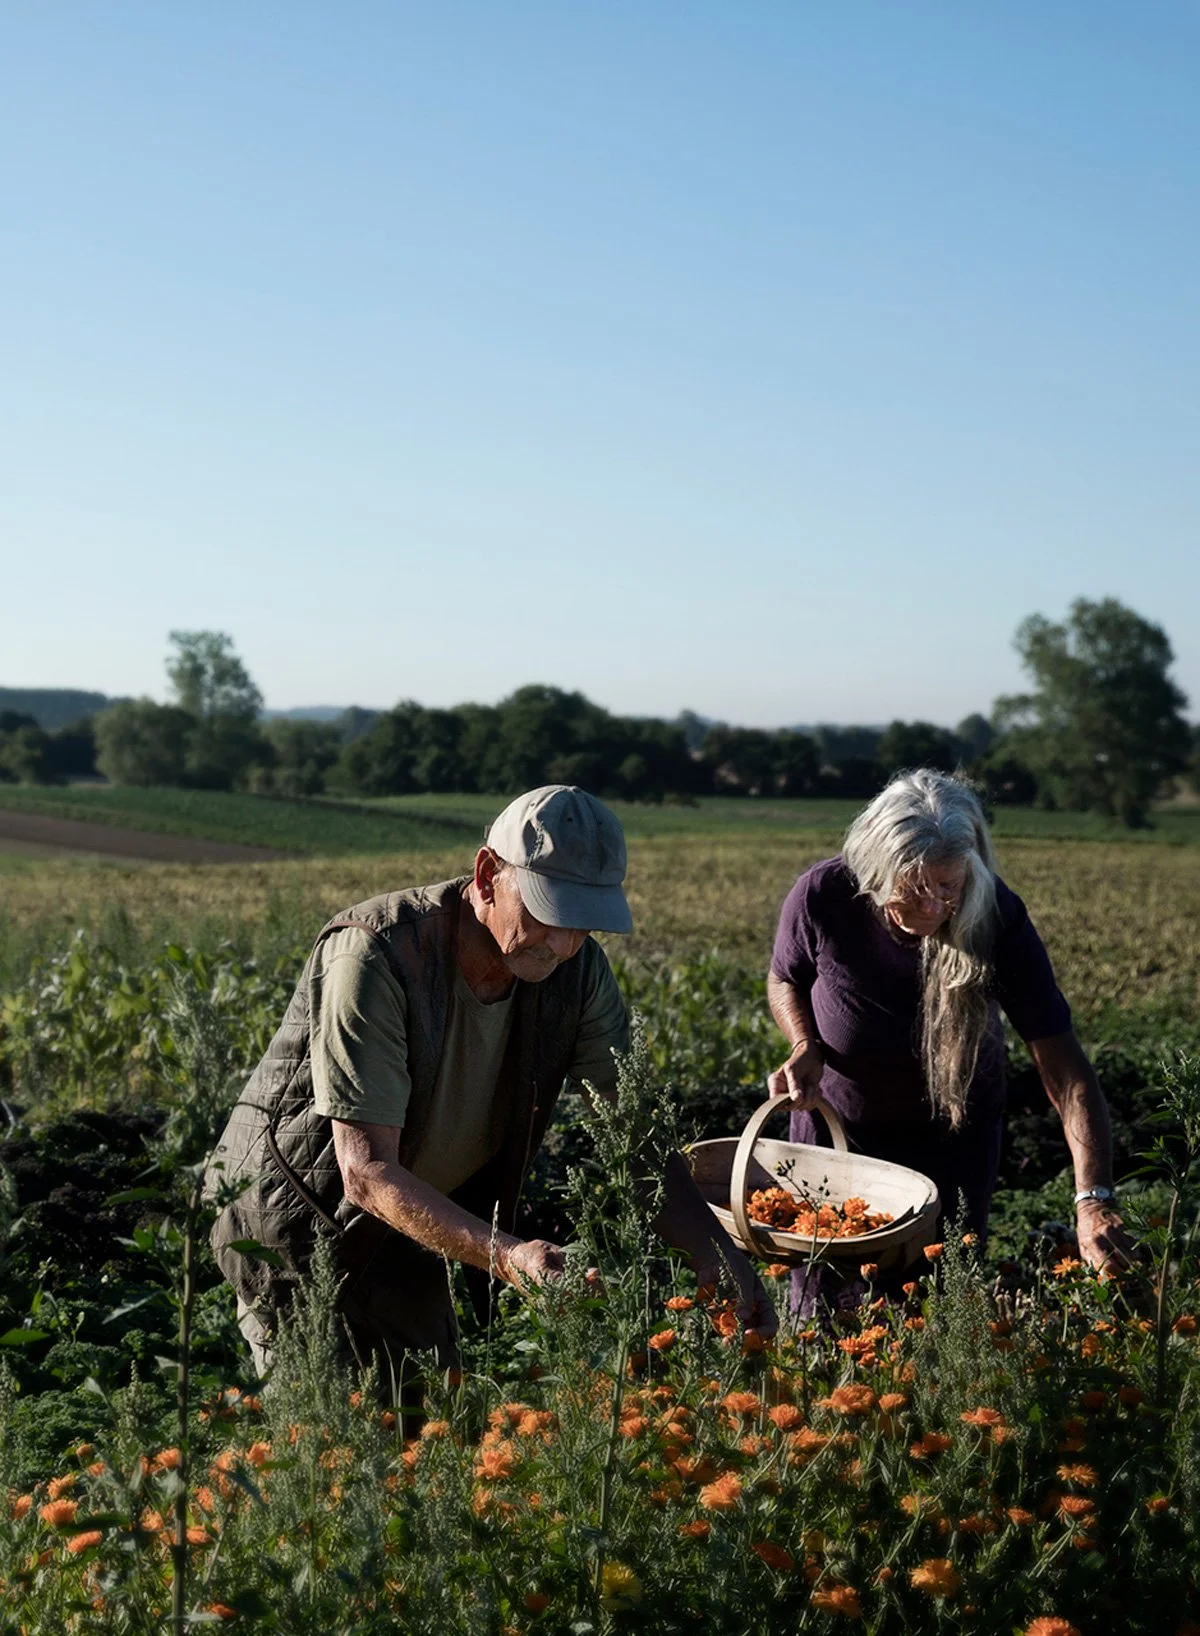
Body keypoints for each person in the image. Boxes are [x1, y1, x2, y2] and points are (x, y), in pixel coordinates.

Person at [208, 784, 775, 1389]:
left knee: (431, 1426)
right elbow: (367, 1172)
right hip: (298, 1224)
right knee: (330, 1443)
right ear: (486, 876)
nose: (563, 942)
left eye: (582, 923)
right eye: (547, 911)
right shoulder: (377, 954)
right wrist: (513, 1257)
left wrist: (721, 1260)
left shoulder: (576, 974)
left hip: (412, 1223)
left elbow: (635, 1140)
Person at [766, 769, 1135, 1299]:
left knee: (938, 1311)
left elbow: (1064, 1068)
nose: (933, 908)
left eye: (948, 886)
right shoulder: (823, 895)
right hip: (841, 1146)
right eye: (913, 889)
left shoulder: (996, 915)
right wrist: (804, 1044)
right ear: (872, 871)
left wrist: (1093, 1199)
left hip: (951, 1153)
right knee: (827, 1320)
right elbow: (785, 978)